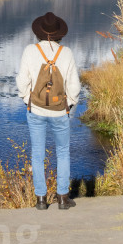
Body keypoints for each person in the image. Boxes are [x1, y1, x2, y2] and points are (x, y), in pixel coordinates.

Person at [16, 11, 81, 210]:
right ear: (59, 33)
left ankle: (41, 199)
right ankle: (62, 198)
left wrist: (28, 99)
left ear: (39, 32)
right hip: (60, 113)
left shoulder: (29, 50)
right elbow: (75, 86)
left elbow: (21, 81)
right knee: (62, 152)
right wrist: (69, 104)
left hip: (35, 110)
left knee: (37, 154)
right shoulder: (67, 53)